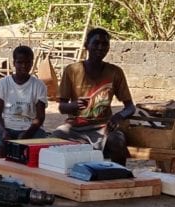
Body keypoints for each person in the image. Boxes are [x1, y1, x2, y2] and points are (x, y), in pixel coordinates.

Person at [54, 27, 136, 165]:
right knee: (53, 140)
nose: (100, 47)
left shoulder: (115, 72)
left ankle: (119, 176)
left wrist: (117, 117)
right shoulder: (72, 70)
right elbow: (62, 107)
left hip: (104, 127)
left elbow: (130, 107)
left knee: (118, 142)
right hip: (75, 127)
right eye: (96, 43)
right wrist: (74, 106)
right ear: (87, 45)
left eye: (104, 44)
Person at [0, 45, 48, 158]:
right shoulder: (3, 83)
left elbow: (40, 117)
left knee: (38, 157)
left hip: (31, 128)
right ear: (14, 63)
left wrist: (27, 134)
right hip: (8, 128)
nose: (24, 66)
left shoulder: (39, 85)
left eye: (27, 62)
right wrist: (3, 131)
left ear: (32, 63)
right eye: (20, 62)